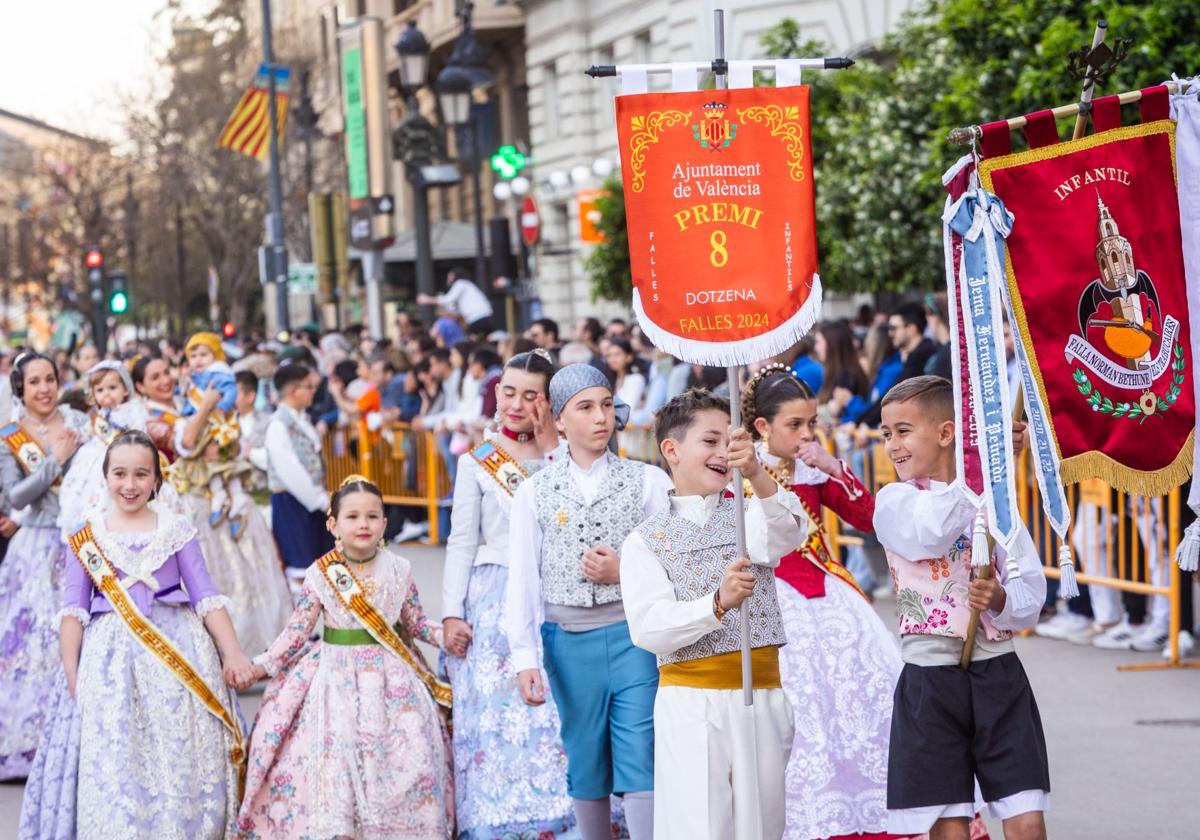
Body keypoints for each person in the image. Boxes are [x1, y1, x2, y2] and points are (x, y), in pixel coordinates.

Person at [20, 430, 253, 839]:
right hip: (110, 662)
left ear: (157, 480)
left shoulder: (177, 529)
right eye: (120, 474)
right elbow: (74, 611)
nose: (130, 485)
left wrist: (232, 654)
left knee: (179, 754)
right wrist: (75, 680)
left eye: (141, 475)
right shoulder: (86, 534)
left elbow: (206, 596)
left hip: (180, 654)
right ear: (106, 477)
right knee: (117, 757)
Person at [621, 388, 808, 839]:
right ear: (672, 449)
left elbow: (789, 533)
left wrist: (758, 475)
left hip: (758, 694)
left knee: (761, 826)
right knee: (698, 824)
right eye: (710, 441)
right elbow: (650, 629)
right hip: (688, 701)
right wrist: (716, 604)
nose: (724, 452)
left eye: (731, 441)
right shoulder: (645, 540)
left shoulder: (750, 514)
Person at [875, 376, 1049, 839]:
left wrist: (1001, 600)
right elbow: (927, 533)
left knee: (1027, 819)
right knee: (948, 826)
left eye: (903, 430)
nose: (892, 444)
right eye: (886, 433)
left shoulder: (998, 503)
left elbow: (1031, 592)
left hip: (998, 675)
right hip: (930, 682)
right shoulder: (894, 500)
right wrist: (984, 472)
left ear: (946, 433)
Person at [506, 363, 673, 840]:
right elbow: (523, 579)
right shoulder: (534, 491)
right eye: (585, 407)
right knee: (584, 754)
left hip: (633, 637)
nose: (600, 417)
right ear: (558, 419)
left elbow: (672, 561)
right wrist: (524, 656)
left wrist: (627, 569)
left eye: (605, 404)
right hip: (567, 640)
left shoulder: (648, 481)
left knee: (640, 749)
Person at [235, 477, 454, 839]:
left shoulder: (399, 568)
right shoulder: (321, 573)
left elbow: (414, 623)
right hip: (333, 682)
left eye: (372, 516)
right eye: (352, 516)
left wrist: (451, 636)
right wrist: (260, 665)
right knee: (335, 756)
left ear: (385, 523)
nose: (363, 524)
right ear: (333, 524)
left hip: (392, 681)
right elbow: (296, 634)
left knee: (407, 753)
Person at [741, 365, 904, 840]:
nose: (806, 434)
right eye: (795, 425)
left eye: (811, 423)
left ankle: (864, 805)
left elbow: (871, 518)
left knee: (860, 698)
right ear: (762, 428)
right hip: (771, 599)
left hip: (829, 593)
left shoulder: (812, 467)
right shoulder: (739, 470)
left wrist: (836, 468)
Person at [442, 349, 576, 838]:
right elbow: (461, 540)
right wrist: (451, 614)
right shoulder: (478, 461)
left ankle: (570, 812)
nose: (517, 403)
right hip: (494, 592)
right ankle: (500, 818)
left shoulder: (568, 456)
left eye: (531, 395)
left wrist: (550, 444)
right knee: (498, 713)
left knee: (560, 707)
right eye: (509, 392)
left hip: (557, 591)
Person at [140, 356, 293, 660]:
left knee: (251, 567)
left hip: (218, 489)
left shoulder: (189, 396)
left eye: (165, 372)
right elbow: (185, 443)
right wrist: (208, 404)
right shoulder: (151, 416)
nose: (163, 380)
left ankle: (264, 648)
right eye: (153, 377)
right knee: (208, 572)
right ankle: (219, 652)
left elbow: (229, 441)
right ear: (141, 386)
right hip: (187, 499)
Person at [0, 352, 87, 778]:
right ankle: (30, 742)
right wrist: (55, 458)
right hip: (35, 545)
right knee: (32, 644)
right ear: (21, 388)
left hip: (78, 541)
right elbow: (15, 497)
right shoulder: (9, 436)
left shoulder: (79, 423)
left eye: (50, 379)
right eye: (34, 381)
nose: (44, 388)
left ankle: (80, 737)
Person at [176, 332, 254, 538]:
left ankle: (237, 497)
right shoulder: (193, 379)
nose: (198, 360)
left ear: (215, 356)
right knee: (211, 464)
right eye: (193, 356)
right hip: (204, 429)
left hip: (220, 425)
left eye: (204, 354)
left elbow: (230, 392)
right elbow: (188, 404)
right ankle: (219, 494)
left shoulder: (220, 374)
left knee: (227, 462)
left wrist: (222, 406)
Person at [266, 362, 334, 580]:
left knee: (325, 567)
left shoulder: (302, 419)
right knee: (302, 573)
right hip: (292, 503)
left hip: (311, 501)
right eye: (309, 387)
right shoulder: (278, 425)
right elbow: (291, 472)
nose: (313, 391)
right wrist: (321, 500)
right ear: (294, 391)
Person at [857, 302, 938, 427]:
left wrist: (863, 422)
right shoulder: (916, 354)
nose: (890, 333)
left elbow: (894, 395)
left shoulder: (922, 355)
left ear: (911, 328)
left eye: (894, 328)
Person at [815, 320, 871, 425]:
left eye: (819, 342)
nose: (816, 347)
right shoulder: (843, 372)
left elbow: (833, 411)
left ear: (831, 344)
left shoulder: (846, 377)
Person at [418, 267, 496, 340]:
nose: (448, 279)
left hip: (477, 319)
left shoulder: (460, 283)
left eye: (450, 276)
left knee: (475, 342)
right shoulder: (467, 286)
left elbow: (447, 300)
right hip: (483, 318)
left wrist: (427, 299)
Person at [235, 370, 270, 494]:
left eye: (235, 393)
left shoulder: (269, 422)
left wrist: (251, 453)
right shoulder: (225, 425)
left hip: (264, 493)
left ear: (250, 396)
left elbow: (275, 459)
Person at [604, 337, 647, 413]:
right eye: (609, 355)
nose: (612, 359)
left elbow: (628, 410)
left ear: (629, 357)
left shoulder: (636, 379)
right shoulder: (614, 380)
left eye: (617, 354)